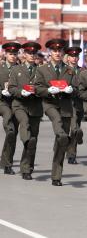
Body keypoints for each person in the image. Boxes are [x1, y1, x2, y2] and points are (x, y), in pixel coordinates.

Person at [35, 38, 77, 186]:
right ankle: (63, 136)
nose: (57, 53)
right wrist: (47, 90)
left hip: (65, 106)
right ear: (49, 52)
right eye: (54, 51)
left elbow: (76, 88)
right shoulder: (42, 69)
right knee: (59, 126)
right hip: (50, 104)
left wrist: (71, 90)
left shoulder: (70, 70)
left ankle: (56, 176)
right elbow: (37, 88)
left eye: (60, 51)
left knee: (61, 144)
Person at [8, 42, 43, 180]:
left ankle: (27, 168)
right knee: (24, 123)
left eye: (34, 53)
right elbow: (11, 88)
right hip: (20, 104)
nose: (32, 55)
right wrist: (20, 92)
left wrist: (39, 91)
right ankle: (25, 139)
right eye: (29, 53)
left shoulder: (41, 70)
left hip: (35, 106)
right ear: (24, 54)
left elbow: (44, 88)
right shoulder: (17, 69)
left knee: (33, 139)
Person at [0, 42, 20, 175]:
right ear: (5, 54)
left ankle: (6, 161)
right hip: (2, 102)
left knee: (13, 134)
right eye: (10, 54)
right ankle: (6, 163)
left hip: (16, 102)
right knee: (10, 128)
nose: (13, 56)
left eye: (15, 54)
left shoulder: (20, 69)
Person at [64, 47, 84, 164]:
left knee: (74, 130)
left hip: (79, 103)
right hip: (67, 103)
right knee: (72, 128)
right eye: (72, 56)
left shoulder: (82, 71)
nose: (74, 58)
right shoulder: (64, 70)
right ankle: (69, 153)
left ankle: (71, 152)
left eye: (76, 56)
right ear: (68, 57)